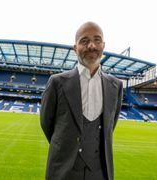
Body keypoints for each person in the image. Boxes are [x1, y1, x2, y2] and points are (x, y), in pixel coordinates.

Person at [40, 22, 123, 180]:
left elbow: (110, 126)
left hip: (100, 173)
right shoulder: (57, 82)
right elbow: (46, 124)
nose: (92, 45)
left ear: (103, 45)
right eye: (84, 41)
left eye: (97, 40)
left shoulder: (116, 86)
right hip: (63, 171)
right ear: (75, 48)